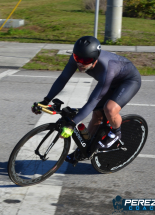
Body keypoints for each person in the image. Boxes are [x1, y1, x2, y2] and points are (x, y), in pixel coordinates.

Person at [32, 36, 141, 164]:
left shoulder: (107, 68)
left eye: (86, 60)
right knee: (97, 115)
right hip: (110, 82)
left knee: (109, 109)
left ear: (95, 59)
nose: (80, 63)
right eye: (78, 58)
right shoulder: (76, 58)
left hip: (128, 81)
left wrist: (72, 124)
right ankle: (83, 150)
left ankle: (116, 133)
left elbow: (92, 101)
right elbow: (63, 79)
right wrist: (45, 101)